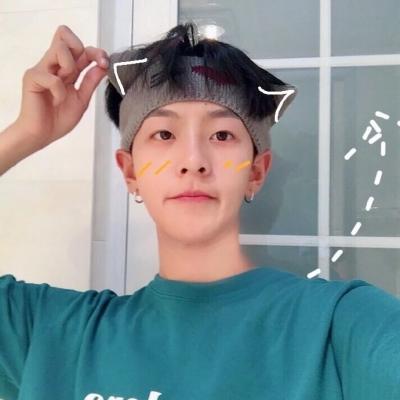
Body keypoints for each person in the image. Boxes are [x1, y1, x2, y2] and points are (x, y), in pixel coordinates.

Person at [0, 22, 399, 400]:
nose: (193, 161)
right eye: (164, 134)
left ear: (256, 172)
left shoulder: (342, 325)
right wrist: (23, 134)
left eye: (222, 135)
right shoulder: (52, 334)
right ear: (131, 172)